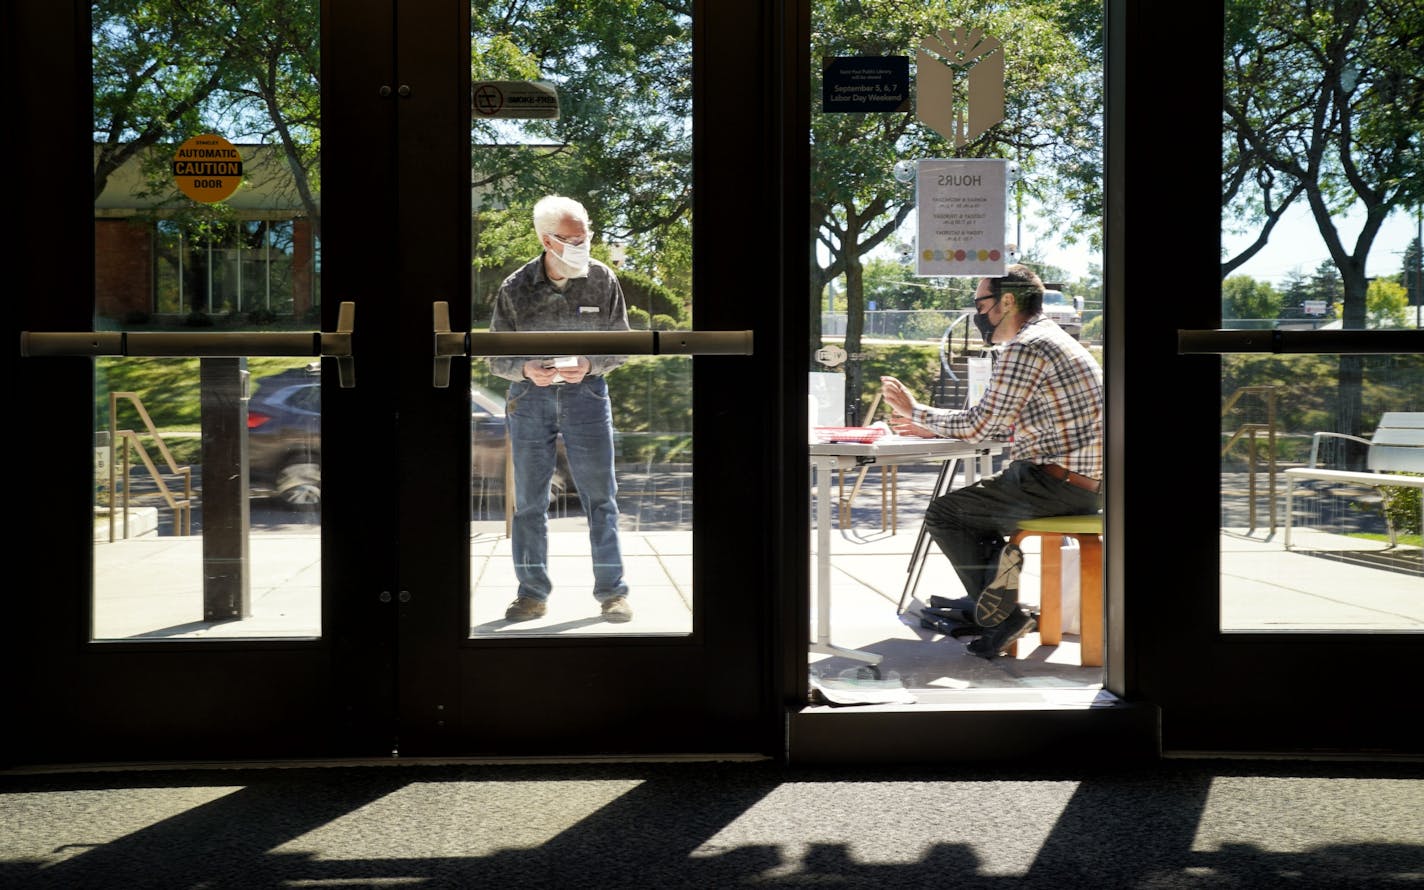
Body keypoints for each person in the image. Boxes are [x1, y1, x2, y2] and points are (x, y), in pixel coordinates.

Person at [879, 264, 1103, 658]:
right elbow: (1003, 426)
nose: (977, 314)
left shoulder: (1026, 345)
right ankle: (999, 607)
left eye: (980, 303)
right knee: (973, 516)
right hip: (1080, 485)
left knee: (946, 514)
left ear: (1007, 301)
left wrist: (916, 411)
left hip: (1053, 485)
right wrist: (940, 429)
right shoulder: (1054, 339)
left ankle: (1004, 617)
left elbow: (983, 425)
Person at [488, 195, 633, 623]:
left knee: (601, 498)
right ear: (545, 240)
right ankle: (531, 594)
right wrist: (525, 368)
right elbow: (495, 358)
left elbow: (623, 346)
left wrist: (590, 363)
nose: (581, 245)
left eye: (584, 236)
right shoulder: (515, 287)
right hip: (529, 400)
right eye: (571, 238)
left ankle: (612, 593)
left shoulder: (603, 280)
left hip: (586, 397)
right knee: (530, 502)